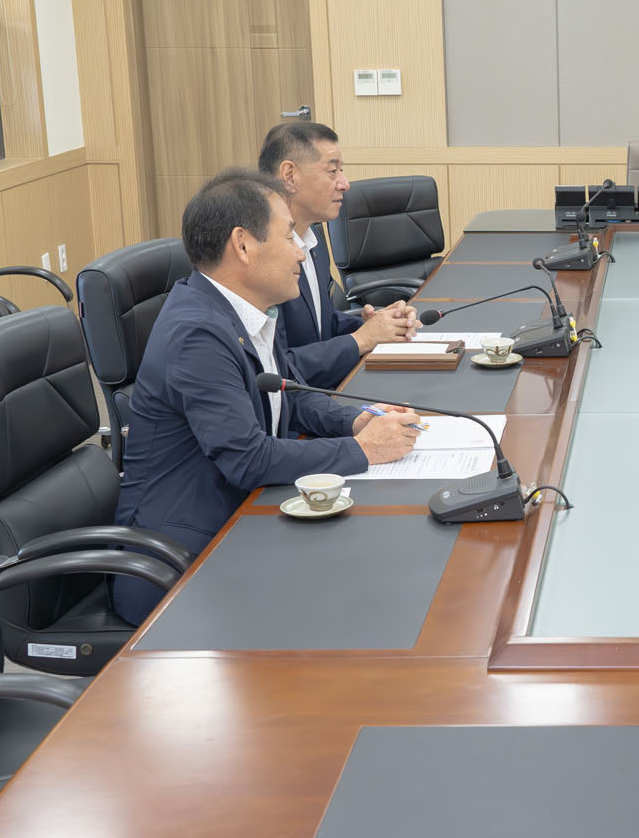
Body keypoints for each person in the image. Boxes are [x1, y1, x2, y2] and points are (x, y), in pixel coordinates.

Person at [111, 168, 422, 623]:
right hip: (182, 561)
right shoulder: (197, 334)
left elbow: (287, 392)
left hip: (244, 521)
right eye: (289, 236)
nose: (301, 250)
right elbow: (248, 459)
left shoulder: (247, 309)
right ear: (242, 245)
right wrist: (364, 449)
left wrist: (355, 420)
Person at [257, 120, 419, 387]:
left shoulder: (314, 237)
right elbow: (277, 368)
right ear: (290, 175)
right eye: (332, 171)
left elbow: (321, 326)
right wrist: (360, 340)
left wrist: (372, 325)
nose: (345, 184)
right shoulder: (262, 257)